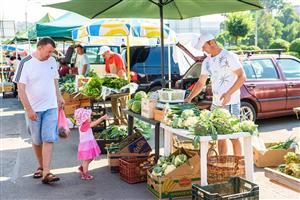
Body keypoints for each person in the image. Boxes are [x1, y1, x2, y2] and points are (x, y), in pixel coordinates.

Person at [14, 37, 65, 184]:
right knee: (37, 141)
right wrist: (29, 109)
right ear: (40, 48)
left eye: (52, 52)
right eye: (48, 51)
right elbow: (21, 89)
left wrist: (59, 96)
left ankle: (47, 173)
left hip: (50, 107)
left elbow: (55, 80)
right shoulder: (26, 63)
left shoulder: (52, 61)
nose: (50, 54)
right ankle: (42, 167)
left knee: (48, 138)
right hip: (34, 109)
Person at [185, 34, 246, 156]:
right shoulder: (206, 62)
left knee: (234, 137)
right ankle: (223, 165)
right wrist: (189, 98)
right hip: (215, 104)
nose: (203, 50)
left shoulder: (229, 56)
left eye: (204, 47)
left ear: (211, 42)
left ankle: (239, 167)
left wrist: (228, 94)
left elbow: (242, 77)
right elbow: (201, 82)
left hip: (230, 103)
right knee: (219, 137)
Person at [74, 108, 108, 180]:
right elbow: (95, 123)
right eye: (88, 116)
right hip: (86, 145)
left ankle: (82, 167)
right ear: (84, 118)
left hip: (89, 143)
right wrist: (102, 118)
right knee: (86, 160)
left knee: (91, 158)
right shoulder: (84, 125)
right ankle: (85, 174)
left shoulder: (84, 124)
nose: (90, 117)